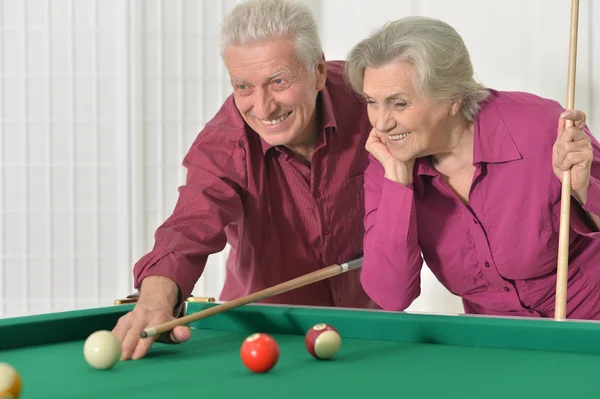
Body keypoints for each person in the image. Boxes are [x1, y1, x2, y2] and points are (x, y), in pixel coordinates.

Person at [112, 0, 377, 361]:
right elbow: (188, 226)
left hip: (377, 326)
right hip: (269, 334)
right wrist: (157, 298)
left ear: (316, 71)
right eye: (243, 87)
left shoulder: (370, 98)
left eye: (278, 81)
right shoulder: (224, 145)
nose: (263, 107)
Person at [344, 16, 600, 319]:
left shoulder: (541, 127)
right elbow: (392, 296)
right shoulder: (386, 162)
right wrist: (398, 184)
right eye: (372, 102)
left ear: (452, 99)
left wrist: (585, 189)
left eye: (399, 104)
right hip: (496, 343)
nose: (382, 123)